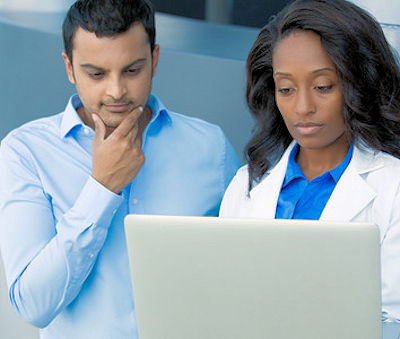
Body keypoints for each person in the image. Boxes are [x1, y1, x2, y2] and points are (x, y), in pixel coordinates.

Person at [0, 0, 240, 337]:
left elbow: (242, 278)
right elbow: (34, 306)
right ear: (69, 67)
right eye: (96, 73)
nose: (116, 91)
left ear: (154, 59)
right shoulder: (25, 153)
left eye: (132, 70)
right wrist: (102, 187)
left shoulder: (210, 148)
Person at [219, 0, 400, 331]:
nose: (302, 107)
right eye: (286, 89)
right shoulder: (248, 185)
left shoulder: (393, 187)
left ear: (358, 83)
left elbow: (392, 320)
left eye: (322, 87)